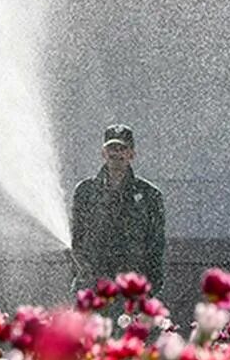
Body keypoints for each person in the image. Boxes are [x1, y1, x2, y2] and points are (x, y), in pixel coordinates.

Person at [70, 124, 166, 297]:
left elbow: (156, 246)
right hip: (93, 289)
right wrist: (82, 277)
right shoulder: (85, 191)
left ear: (132, 154)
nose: (117, 154)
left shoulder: (149, 195)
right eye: (112, 148)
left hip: (131, 290)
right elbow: (76, 238)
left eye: (122, 148)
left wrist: (150, 289)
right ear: (103, 153)